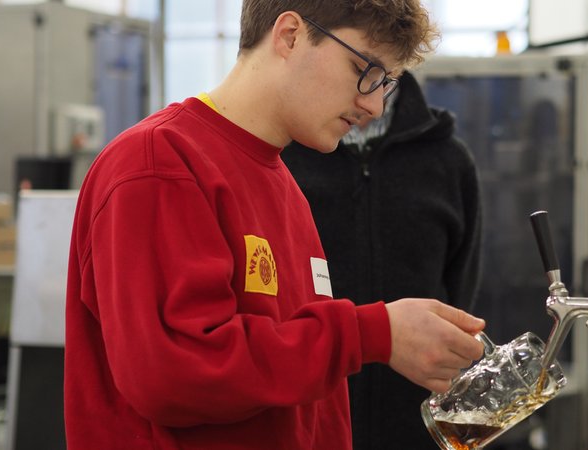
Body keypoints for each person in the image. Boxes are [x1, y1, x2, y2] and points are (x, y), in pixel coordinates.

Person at [63, 1, 487, 449]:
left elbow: (302, 400)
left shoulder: (282, 182)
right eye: (364, 70)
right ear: (289, 35)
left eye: (387, 84)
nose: (374, 105)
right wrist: (371, 333)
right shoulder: (159, 164)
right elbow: (175, 372)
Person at [282, 70, 482, 450]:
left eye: (381, 74)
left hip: (417, 422)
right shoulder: (284, 156)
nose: (368, 98)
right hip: (306, 417)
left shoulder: (449, 161)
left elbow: (459, 293)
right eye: (356, 66)